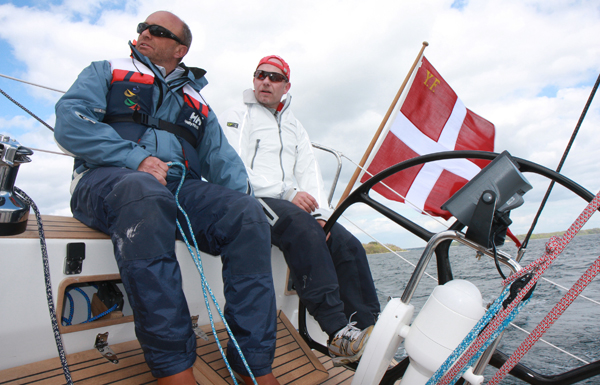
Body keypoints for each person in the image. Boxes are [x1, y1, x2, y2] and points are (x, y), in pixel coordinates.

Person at [54, 12, 280, 385]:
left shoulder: (198, 103)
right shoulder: (106, 70)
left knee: (246, 213)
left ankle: (254, 365)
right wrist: (135, 158)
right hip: (105, 179)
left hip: (179, 187)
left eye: (157, 31)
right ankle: (174, 368)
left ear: (180, 49)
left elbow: (222, 162)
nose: (144, 33)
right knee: (144, 192)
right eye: (143, 27)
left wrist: (250, 207)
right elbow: (71, 120)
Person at [219, 55, 381, 367]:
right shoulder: (236, 115)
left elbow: (310, 174)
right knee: (302, 228)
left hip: (289, 202)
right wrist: (286, 192)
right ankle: (336, 330)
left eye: (274, 77)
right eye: (260, 75)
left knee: (347, 244)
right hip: (247, 199)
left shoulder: (295, 126)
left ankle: (366, 330)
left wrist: (322, 214)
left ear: (286, 86)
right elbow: (232, 166)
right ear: (254, 79)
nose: (266, 81)